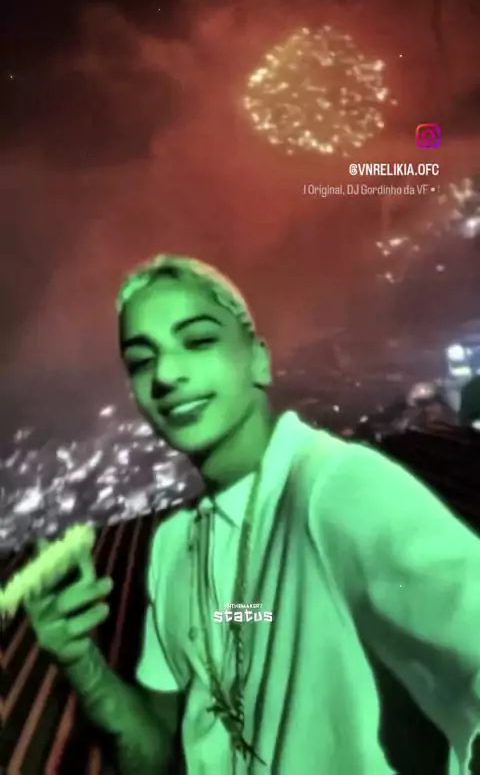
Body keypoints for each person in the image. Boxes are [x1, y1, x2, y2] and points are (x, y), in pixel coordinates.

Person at [26, 254, 480, 775]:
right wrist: (81, 661)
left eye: (198, 340)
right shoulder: (174, 545)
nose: (166, 374)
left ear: (259, 361)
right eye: (142, 361)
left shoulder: (336, 486)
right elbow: (154, 756)